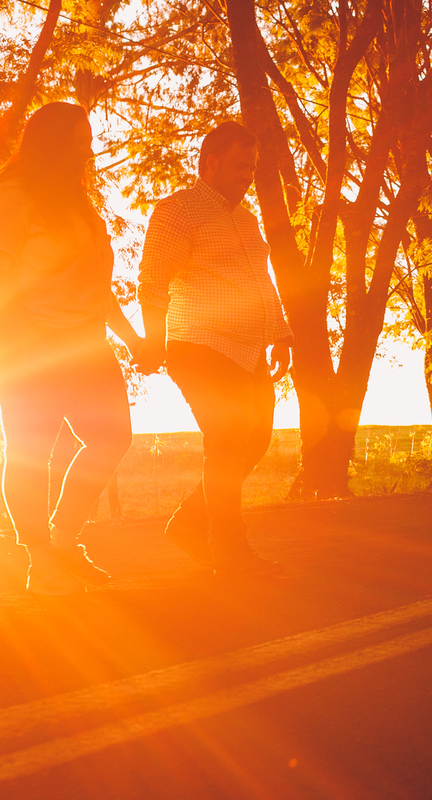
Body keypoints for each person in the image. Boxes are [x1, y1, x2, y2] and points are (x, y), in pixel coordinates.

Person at [0, 102, 143, 595]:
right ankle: (39, 561)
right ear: (51, 142)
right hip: (23, 338)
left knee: (112, 435)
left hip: (82, 338)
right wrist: (27, 336)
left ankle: (63, 537)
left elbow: (96, 284)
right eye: (79, 138)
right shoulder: (10, 194)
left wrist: (131, 340)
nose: (87, 148)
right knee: (30, 450)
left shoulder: (77, 203)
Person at [137, 121, 293, 578]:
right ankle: (230, 550)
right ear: (211, 162)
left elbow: (261, 282)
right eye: (242, 166)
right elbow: (152, 281)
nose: (249, 175)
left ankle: (188, 524)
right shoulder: (177, 210)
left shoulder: (245, 219)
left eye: (253, 167)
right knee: (226, 439)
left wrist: (280, 333)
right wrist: (152, 341)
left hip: (247, 351)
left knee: (255, 439)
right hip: (198, 344)